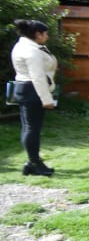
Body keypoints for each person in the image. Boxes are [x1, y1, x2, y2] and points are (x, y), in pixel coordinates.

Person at [10, 19, 58, 176]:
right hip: (33, 89)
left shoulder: (24, 46)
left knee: (28, 127)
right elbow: (37, 77)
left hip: (25, 88)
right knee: (32, 128)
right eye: (46, 34)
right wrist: (46, 100)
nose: (47, 37)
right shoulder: (31, 51)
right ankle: (34, 163)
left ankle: (33, 162)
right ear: (38, 34)